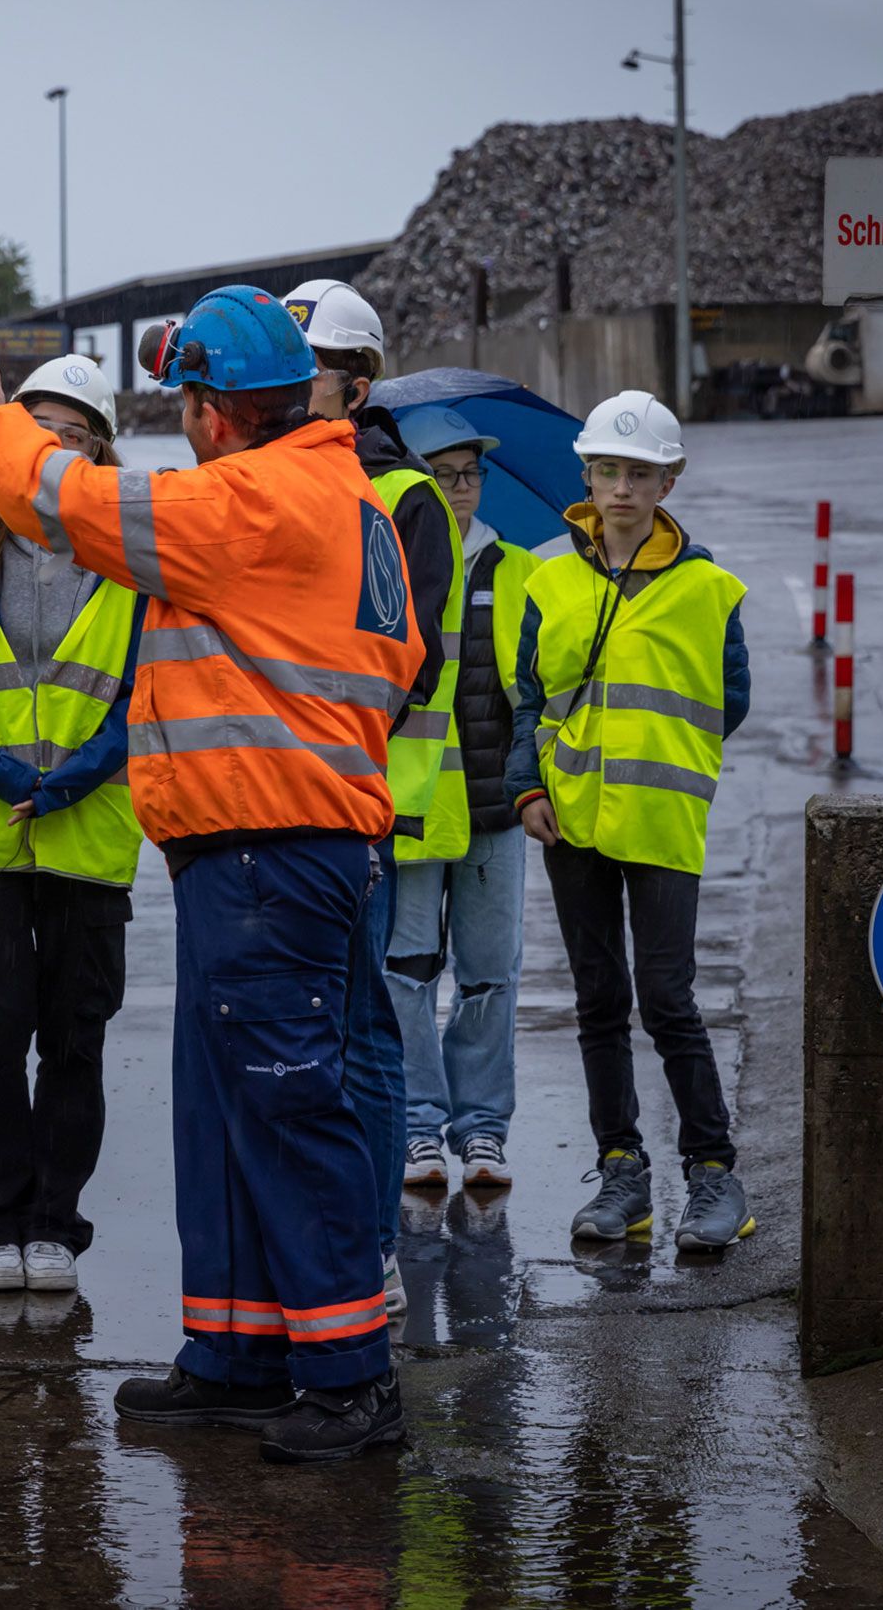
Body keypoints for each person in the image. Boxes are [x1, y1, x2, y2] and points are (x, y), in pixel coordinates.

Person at [0, 286, 422, 1466]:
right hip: (261, 848)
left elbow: (58, 497)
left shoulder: (254, 498)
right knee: (225, 1112)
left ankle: (346, 1377)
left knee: (282, 1102)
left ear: (214, 413)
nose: (181, 424)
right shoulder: (341, 495)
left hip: (273, 847)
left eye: (185, 404)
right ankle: (238, 1352)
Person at [0, 352, 144, 1296]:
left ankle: (56, 1222)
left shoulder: (132, 549)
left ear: (99, 447)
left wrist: (76, 776)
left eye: (73, 430)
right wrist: (4, 769)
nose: (53, 443)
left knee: (74, 1036)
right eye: (36, 424)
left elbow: (146, 685)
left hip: (88, 832)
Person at [506, 389, 754, 1252]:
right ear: (587, 474)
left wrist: (664, 758)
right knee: (599, 1001)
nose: (620, 487)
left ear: (668, 481)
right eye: (607, 470)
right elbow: (526, 699)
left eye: (638, 472)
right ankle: (623, 1173)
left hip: (662, 821)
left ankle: (715, 1173)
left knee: (669, 998)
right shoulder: (549, 582)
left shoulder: (708, 588)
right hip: (570, 819)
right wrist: (528, 791)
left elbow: (732, 699)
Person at [284, 279, 462, 1317]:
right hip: (288, 800)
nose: (290, 394)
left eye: (307, 377)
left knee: (361, 1029)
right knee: (310, 1030)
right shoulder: (275, 482)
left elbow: (408, 659)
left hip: (361, 803)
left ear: (355, 386)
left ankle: (375, 1246)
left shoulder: (402, 501)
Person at [384, 406, 538, 1193]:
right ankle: (417, 1128)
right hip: (411, 806)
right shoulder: (394, 567)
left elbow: (535, 690)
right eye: (442, 475)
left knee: (488, 975)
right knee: (407, 972)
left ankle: (481, 1129)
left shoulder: (517, 570)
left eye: (469, 473)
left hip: (490, 810)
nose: (459, 488)